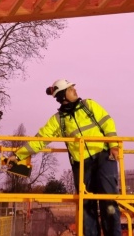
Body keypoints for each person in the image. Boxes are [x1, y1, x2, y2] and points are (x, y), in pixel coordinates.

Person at [8, 79, 121, 236]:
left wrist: (114, 145)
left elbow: (107, 123)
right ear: (63, 96)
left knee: (108, 201)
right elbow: (40, 139)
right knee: (85, 205)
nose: (75, 89)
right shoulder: (58, 120)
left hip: (103, 157)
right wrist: (18, 155)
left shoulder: (89, 105)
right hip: (81, 164)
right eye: (70, 88)